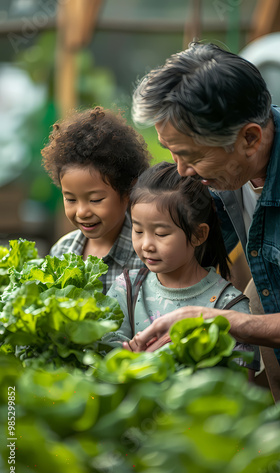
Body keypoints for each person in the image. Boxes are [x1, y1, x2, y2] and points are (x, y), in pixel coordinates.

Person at [127, 41, 280, 359]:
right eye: (170, 150)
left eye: (191, 156)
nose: (182, 170)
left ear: (249, 138)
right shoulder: (226, 171)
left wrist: (223, 319)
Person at [105, 162, 259, 373]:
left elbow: (240, 380)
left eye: (161, 234)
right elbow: (106, 356)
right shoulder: (127, 288)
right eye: (138, 231)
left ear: (198, 234)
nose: (146, 245)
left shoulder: (228, 304)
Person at [41, 106, 151, 293]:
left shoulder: (146, 255)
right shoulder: (62, 251)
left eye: (95, 200)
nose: (82, 212)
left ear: (128, 191)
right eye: (71, 199)